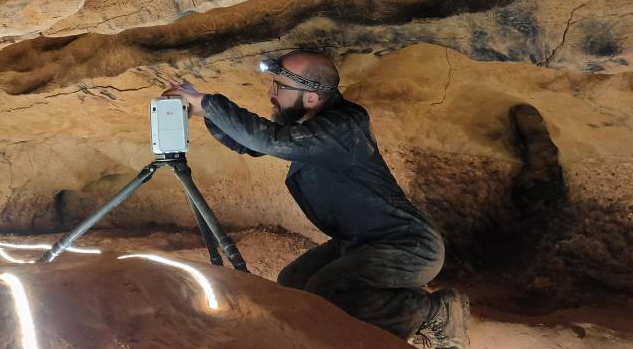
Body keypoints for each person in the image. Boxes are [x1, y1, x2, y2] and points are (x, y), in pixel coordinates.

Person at [163, 50, 469, 348]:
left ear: (311, 97)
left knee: (329, 290)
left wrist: (208, 102)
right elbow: (253, 145)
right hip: (358, 241)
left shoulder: (346, 125)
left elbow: (269, 140)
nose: (271, 93)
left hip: (408, 244)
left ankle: (434, 312)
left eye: (280, 87)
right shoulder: (309, 127)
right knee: (294, 283)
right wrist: (205, 112)